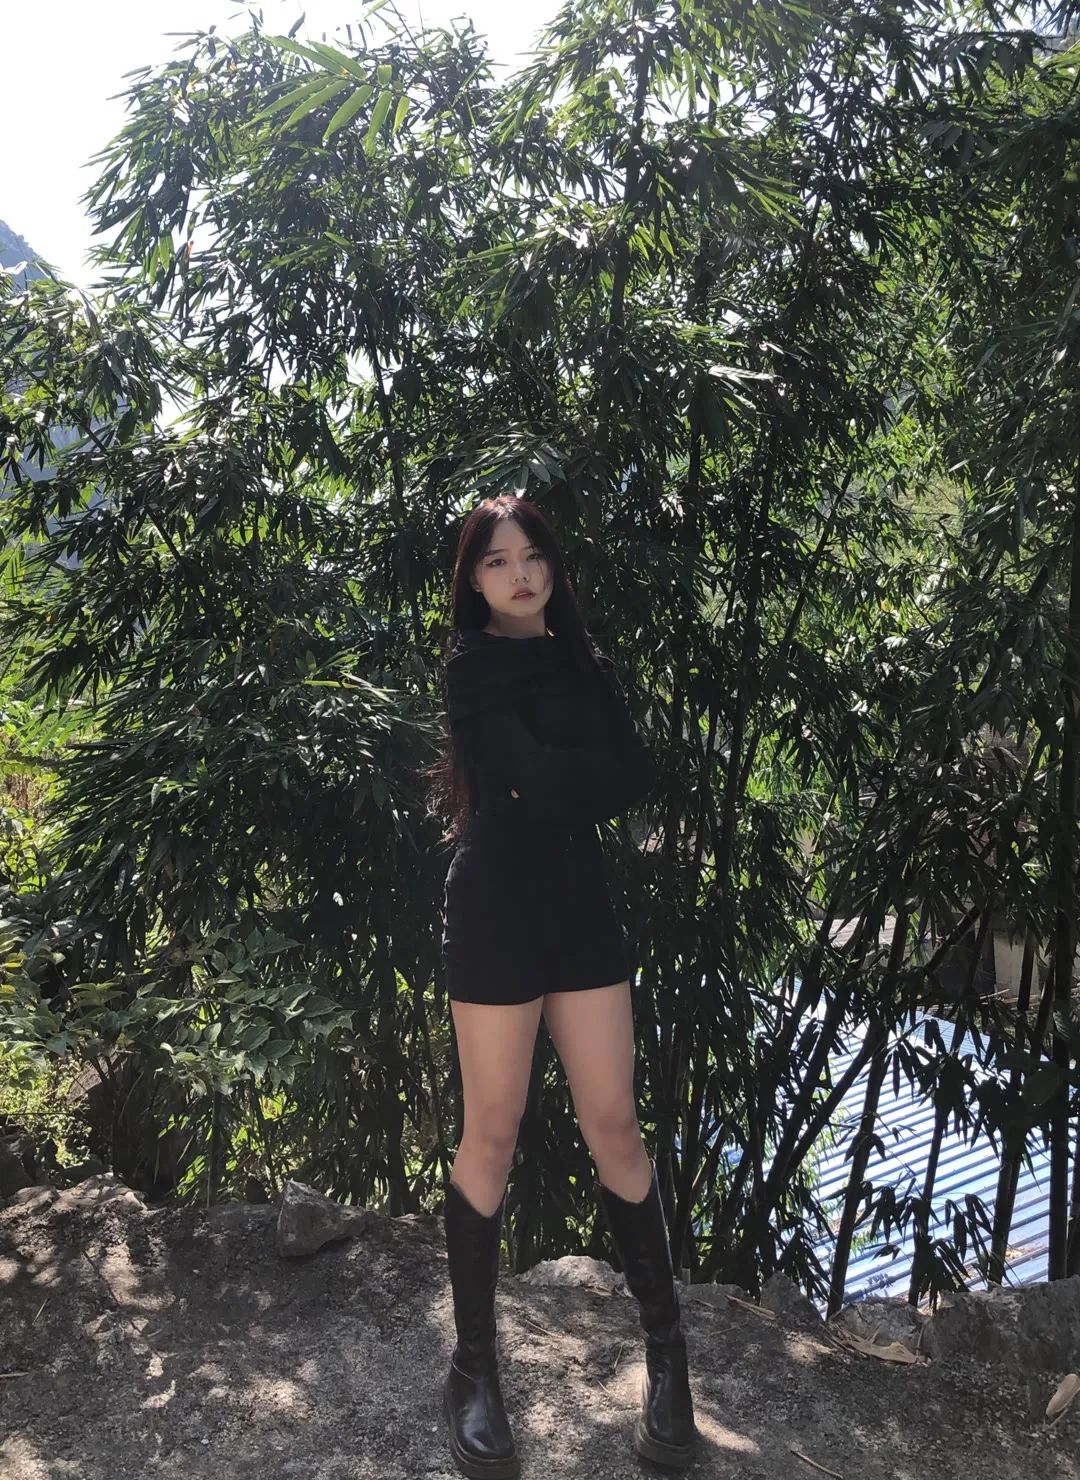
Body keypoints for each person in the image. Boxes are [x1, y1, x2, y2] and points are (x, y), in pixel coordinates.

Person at [428, 495, 698, 1478]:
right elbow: (552, 782)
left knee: (614, 1120)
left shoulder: (589, 665)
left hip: (581, 909)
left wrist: (557, 773)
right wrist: (569, 771)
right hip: (496, 907)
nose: (520, 573)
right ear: (474, 581)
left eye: (532, 554)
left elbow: (633, 778)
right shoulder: (470, 670)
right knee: (493, 1130)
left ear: (552, 566)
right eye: (498, 560)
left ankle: (668, 1360)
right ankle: (473, 1370)